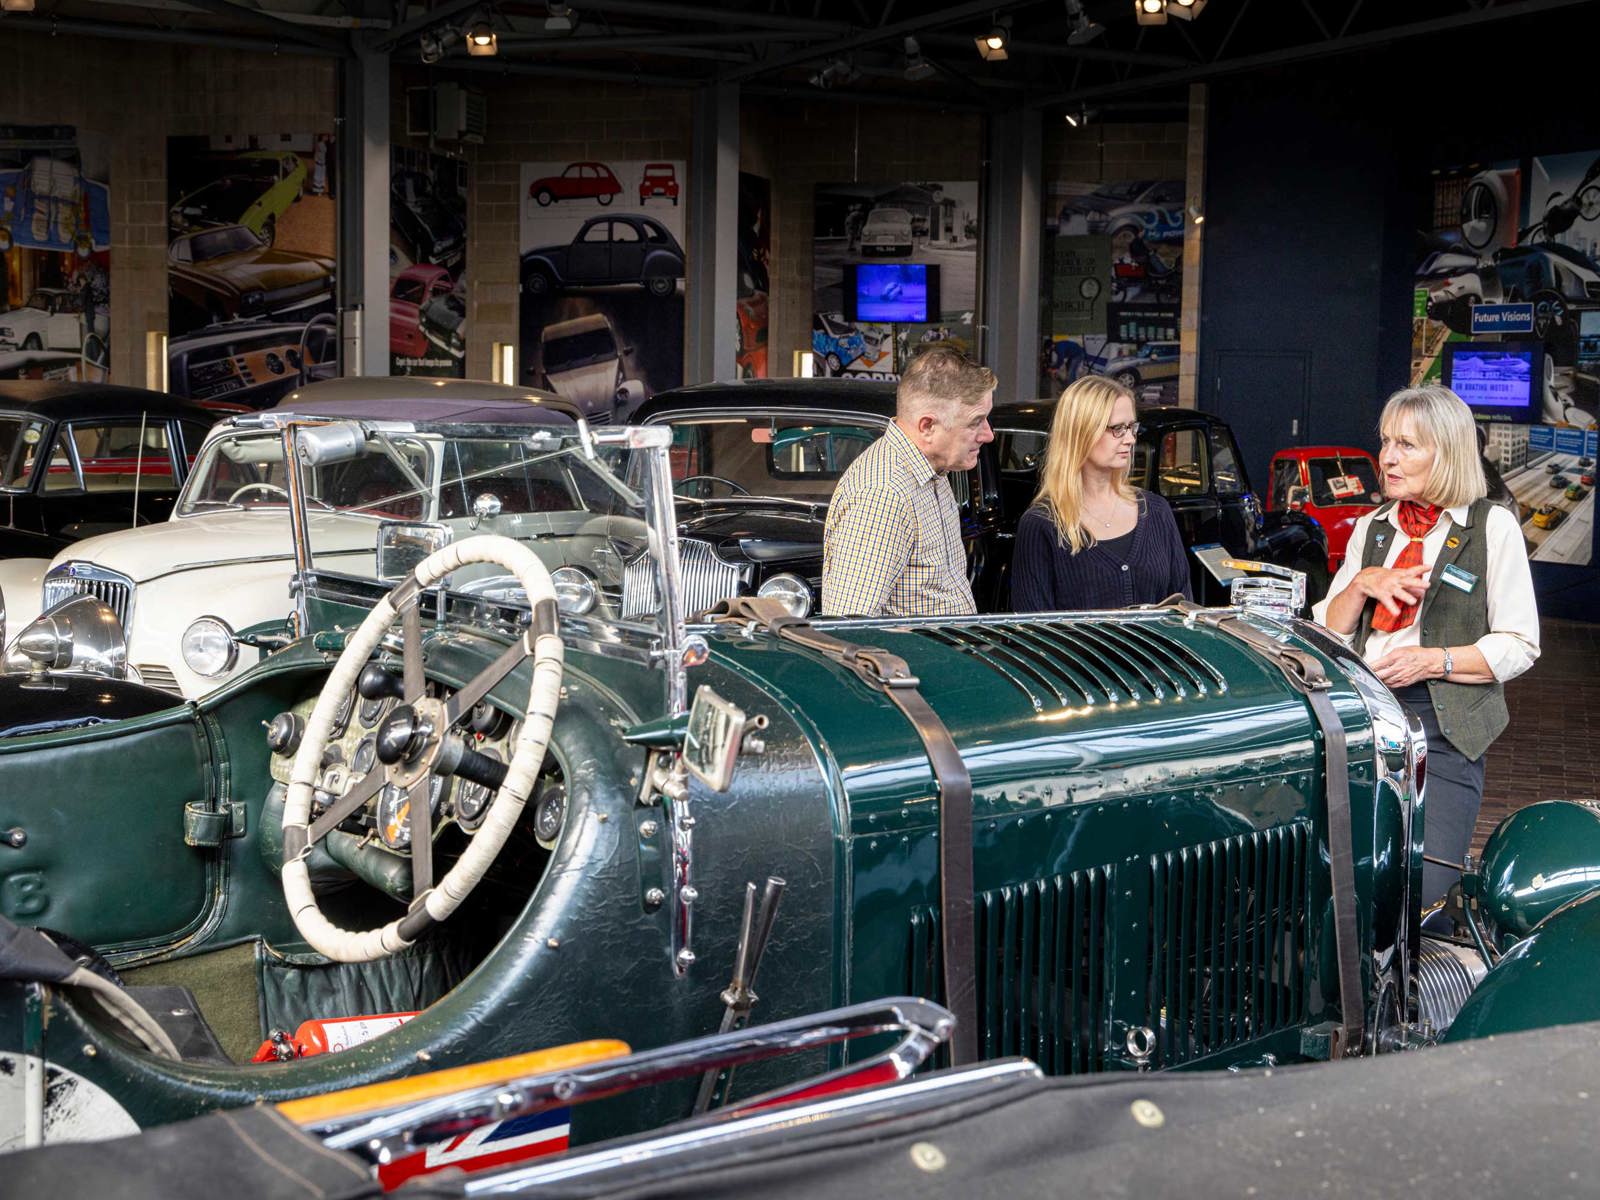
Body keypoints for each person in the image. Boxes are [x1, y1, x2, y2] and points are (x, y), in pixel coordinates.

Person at [1313, 385, 1539, 910]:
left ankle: (1419, 987)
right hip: (1364, 716)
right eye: (1387, 441)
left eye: (1407, 445)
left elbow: (1520, 644)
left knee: (1425, 889)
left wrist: (1432, 661)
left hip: (1444, 724)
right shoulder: (1372, 526)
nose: (1387, 458)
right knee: (1347, 881)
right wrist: (1360, 585)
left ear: (1448, 452)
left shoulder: (1491, 526)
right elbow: (1326, 633)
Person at [821, 345, 995, 617]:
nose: (988, 434)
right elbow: (849, 629)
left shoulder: (931, 472)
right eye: (976, 422)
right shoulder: (883, 494)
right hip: (917, 659)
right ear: (927, 427)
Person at [1010, 376, 1190, 611]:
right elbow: (1034, 632)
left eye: (1131, 427)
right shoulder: (1041, 524)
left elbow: (1185, 612)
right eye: (1117, 429)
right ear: (1081, 433)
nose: (1131, 439)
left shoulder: (1156, 511)